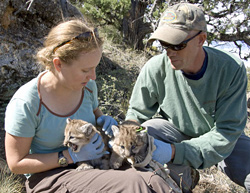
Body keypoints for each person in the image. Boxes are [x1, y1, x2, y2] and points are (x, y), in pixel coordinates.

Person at [4, 19, 172, 193]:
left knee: (154, 178)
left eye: (95, 68)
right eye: (85, 70)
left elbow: (95, 118)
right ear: (58, 64)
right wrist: (69, 156)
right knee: (136, 184)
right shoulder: (27, 103)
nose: (93, 76)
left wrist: (104, 121)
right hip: (51, 176)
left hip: (95, 162)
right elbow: (16, 163)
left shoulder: (88, 87)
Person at [126, 2, 250, 193]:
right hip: (176, 132)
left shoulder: (231, 69)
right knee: (149, 130)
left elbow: (227, 132)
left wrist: (174, 152)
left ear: (201, 39)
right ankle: (183, 179)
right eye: (164, 43)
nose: (169, 51)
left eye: (177, 44)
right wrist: (127, 134)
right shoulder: (155, 68)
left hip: (223, 139)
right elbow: (136, 114)